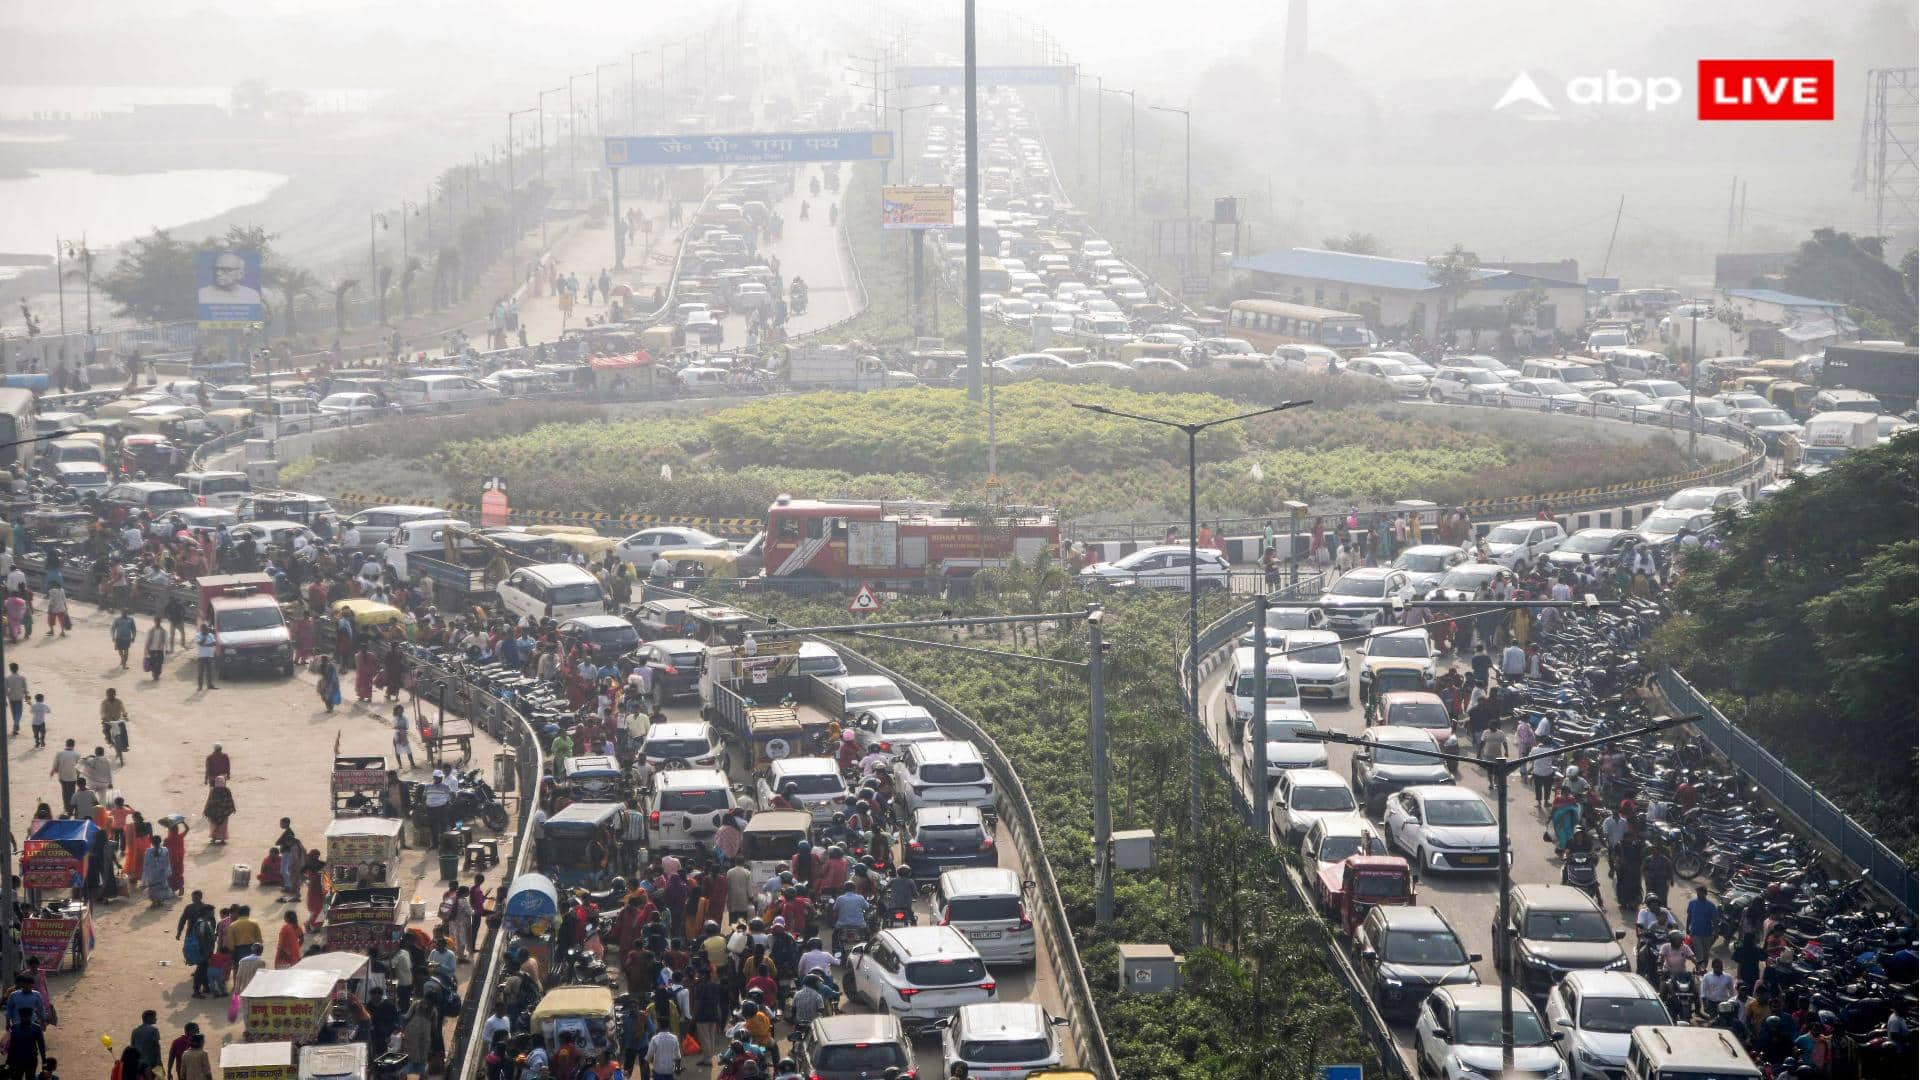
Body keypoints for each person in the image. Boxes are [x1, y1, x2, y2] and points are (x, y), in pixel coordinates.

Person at [194, 624, 219, 690]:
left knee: (210, 672)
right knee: (200, 673)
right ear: (201, 629)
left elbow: (214, 643)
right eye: (204, 629)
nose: (206, 630)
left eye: (207, 629)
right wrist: (205, 637)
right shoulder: (198, 635)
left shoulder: (210, 635)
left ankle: (210, 685)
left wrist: (206, 645)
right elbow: (200, 643)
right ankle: (200, 687)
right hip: (201, 656)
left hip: (210, 656)